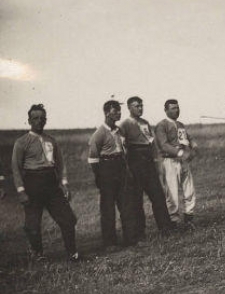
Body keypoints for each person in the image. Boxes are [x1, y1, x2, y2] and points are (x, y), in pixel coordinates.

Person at [11, 104, 80, 262]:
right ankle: (38, 254)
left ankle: (72, 253)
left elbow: (60, 164)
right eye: (35, 118)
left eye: (42, 118)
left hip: (51, 183)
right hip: (32, 183)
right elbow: (16, 168)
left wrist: (64, 183)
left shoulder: (51, 141)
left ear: (46, 120)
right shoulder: (22, 142)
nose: (39, 121)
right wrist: (21, 191)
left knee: (68, 219)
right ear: (29, 120)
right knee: (33, 225)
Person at [119, 96, 178, 235]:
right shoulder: (124, 125)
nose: (140, 108)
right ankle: (139, 232)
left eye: (141, 105)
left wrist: (157, 162)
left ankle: (165, 228)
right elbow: (122, 147)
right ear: (129, 108)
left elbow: (152, 143)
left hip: (148, 161)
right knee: (136, 199)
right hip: (135, 160)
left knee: (158, 195)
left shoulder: (145, 123)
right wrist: (128, 167)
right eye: (136, 106)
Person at [88, 100, 138, 250]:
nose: (118, 113)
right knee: (108, 208)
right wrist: (99, 177)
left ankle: (130, 239)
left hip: (121, 168)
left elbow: (125, 151)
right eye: (115, 110)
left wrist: (127, 170)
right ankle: (110, 243)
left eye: (119, 110)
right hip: (106, 169)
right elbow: (93, 159)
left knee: (126, 205)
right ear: (106, 113)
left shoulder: (120, 131)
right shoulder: (99, 134)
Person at [156, 99, 197, 229]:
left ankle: (189, 218)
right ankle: (173, 221)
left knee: (189, 189)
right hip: (170, 161)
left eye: (177, 107)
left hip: (184, 161)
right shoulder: (162, 125)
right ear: (166, 110)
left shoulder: (180, 124)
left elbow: (187, 139)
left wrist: (194, 147)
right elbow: (163, 145)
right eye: (173, 108)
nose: (176, 110)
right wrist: (180, 153)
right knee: (172, 192)